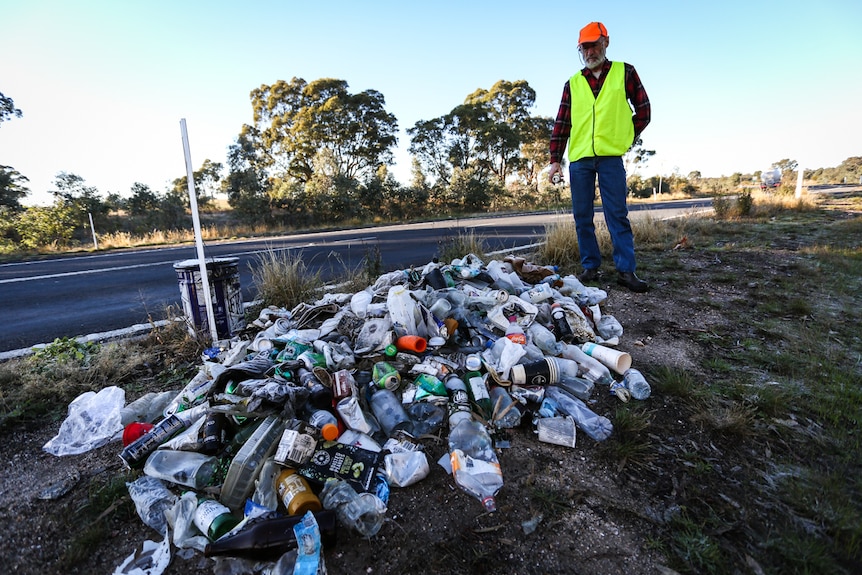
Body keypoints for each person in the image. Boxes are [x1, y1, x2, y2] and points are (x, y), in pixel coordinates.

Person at [548, 21, 651, 293]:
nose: (590, 51)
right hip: (580, 158)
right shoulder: (572, 83)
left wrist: (625, 137)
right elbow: (562, 123)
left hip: (610, 158)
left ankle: (626, 271)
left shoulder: (624, 72)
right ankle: (590, 267)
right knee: (582, 216)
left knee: (617, 214)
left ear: (606, 42)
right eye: (585, 47)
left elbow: (643, 110)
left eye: (594, 44)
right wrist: (555, 160)